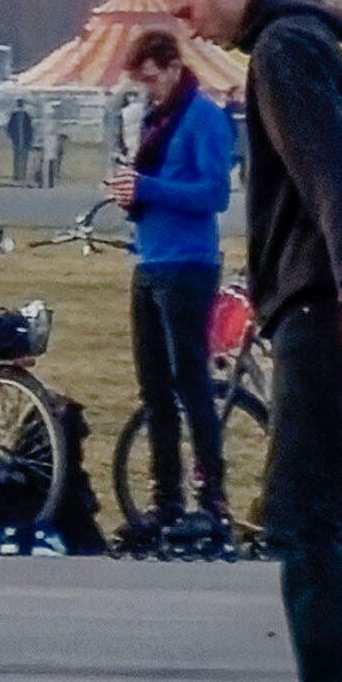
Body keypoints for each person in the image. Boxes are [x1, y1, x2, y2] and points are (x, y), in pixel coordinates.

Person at [153, 0, 342, 682]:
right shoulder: (321, 41)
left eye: (188, 8)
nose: (188, 28)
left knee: (297, 509)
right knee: (329, 508)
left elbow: (338, 174)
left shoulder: (285, 53)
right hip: (333, 300)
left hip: (324, 309)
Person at [113, 27, 242, 543]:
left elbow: (214, 193)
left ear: (171, 67)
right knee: (154, 388)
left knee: (191, 384)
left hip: (189, 264)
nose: (148, 89)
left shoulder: (204, 118)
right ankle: (165, 499)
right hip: (149, 261)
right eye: (141, 82)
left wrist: (149, 188)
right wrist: (130, 193)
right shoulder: (154, 120)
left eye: (152, 79)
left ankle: (211, 496)